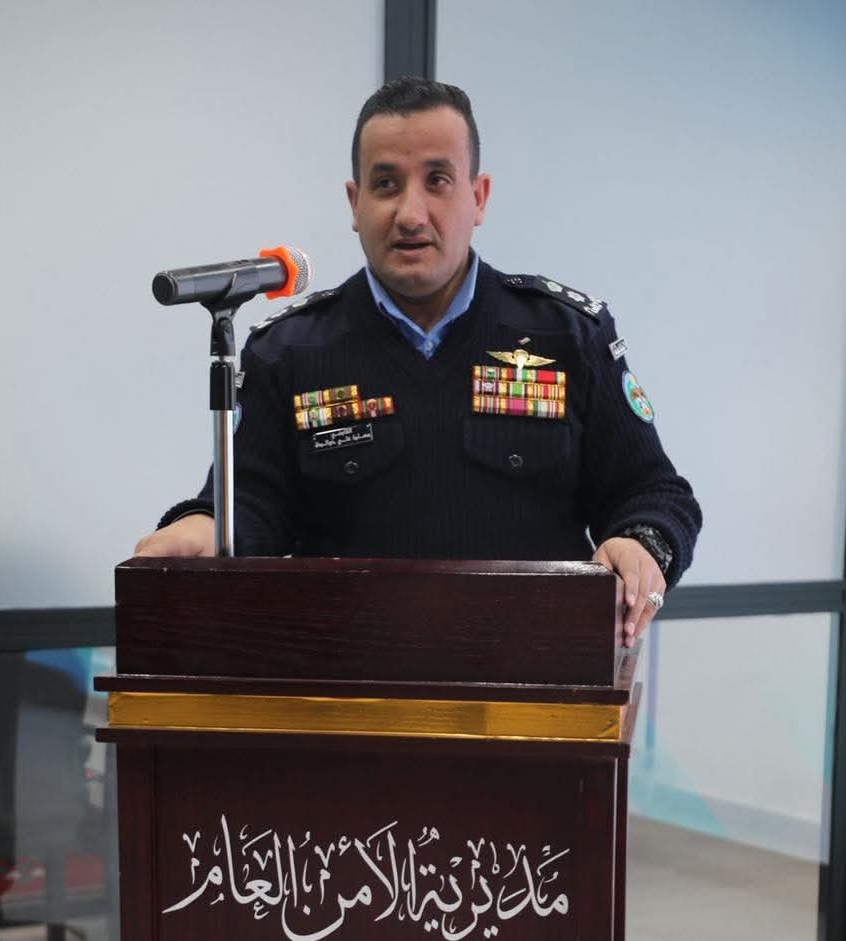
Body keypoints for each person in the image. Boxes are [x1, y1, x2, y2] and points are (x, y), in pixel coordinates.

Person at [136, 78, 701, 645]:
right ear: (354, 203)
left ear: (478, 198)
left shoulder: (568, 336)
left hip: (534, 674)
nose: (410, 214)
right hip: (347, 676)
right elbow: (250, 504)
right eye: (386, 184)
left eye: (438, 181)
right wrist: (200, 528)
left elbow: (653, 492)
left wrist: (642, 544)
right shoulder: (288, 351)